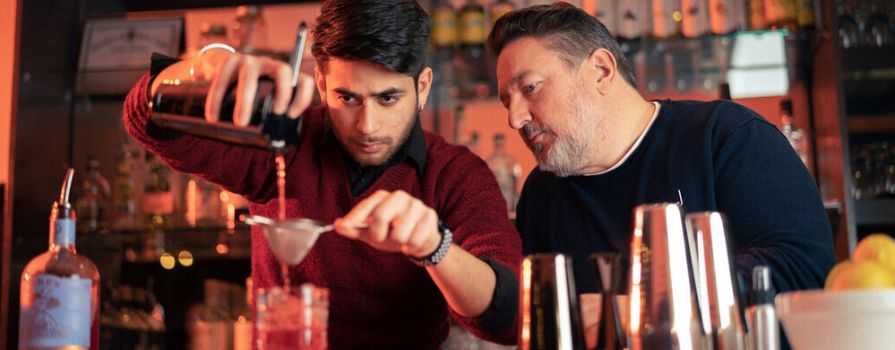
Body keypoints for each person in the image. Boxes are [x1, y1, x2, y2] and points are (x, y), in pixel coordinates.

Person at [123, 1, 520, 348]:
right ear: (322, 83)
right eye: (346, 98)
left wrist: (435, 246)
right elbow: (145, 122)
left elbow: (505, 317)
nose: (367, 125)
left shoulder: (456, 174)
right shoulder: (284, 143)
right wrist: (196, 70)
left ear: (423, 87)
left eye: (388, 98)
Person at [487, 3, 834, 300]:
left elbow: (803, 272)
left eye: (530, 88)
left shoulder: (726, 138)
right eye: (507, 101)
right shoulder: (542, 193)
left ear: (601, 70)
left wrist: (633, 312)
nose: (515, 119)